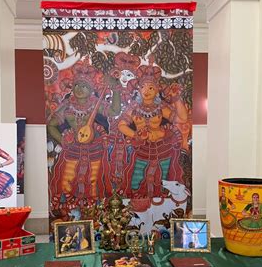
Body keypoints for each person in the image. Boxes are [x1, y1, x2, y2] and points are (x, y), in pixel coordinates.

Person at [47, 61, 121, 203]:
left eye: (84, 86)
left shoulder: (95, 103)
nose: (79, 89)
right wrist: (63, 141)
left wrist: (116, 89)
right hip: (73, 147)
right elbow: (51, 125)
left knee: (94, 179)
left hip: (95, 147)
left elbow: (115, 111)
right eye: (77, 85)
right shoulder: (67, 106)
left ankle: (95, 207)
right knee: (67, 179)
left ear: (91, 90)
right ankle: (67, 207)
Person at [117, 65, 188, 197]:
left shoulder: (161, 107)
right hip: (141, 150)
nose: (146, 91)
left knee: (162, 180)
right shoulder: (133, 107)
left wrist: (176, 99)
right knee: (136, 180)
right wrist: (136, 135)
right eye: (143, 87)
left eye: (151, 88)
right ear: (139, 89)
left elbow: (182, 119)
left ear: (157, 91)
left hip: (163, 149)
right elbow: (121, 125)